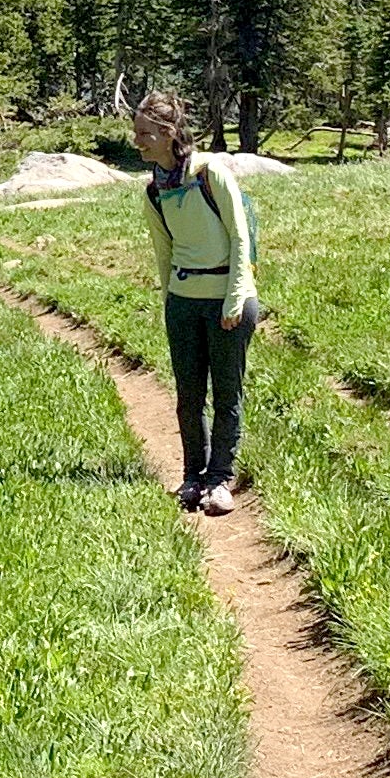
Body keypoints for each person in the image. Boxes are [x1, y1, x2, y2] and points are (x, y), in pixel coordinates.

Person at [131, 91, 259, 514]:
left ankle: (221, 478)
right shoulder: (154, 190)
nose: (138, 141)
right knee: (188, 395)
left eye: (145, 134)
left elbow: (240, 237)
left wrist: (235, 298)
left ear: (169, 133)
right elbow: (163, 251)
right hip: (184, 303)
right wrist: (170, 301)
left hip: (227, 301)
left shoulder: (210, 174)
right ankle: (193, 476)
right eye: (136, 133)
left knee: (227, 393)